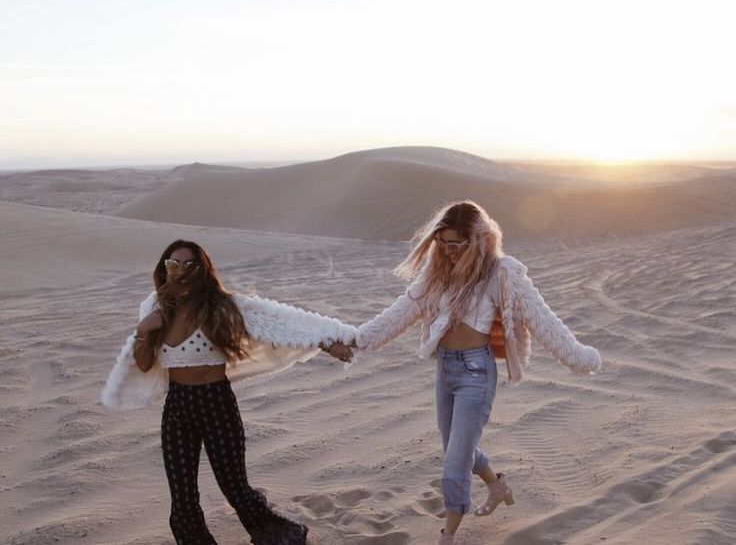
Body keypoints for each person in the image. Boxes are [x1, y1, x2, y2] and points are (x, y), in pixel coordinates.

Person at [355, 201, 602, 544]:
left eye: (456, 244)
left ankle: (447, 536)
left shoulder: (502, 274)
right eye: (443, 243)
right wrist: (356, 342)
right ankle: (497, 486)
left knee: (455, 465)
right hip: (445, 370)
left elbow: (542, 319)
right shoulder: (437, 273)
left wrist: (578, 356)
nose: (448, 251)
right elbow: (403, 310)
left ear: (477, 240)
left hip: (476, 374)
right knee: (459, 450)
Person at [102, 239, 357, 545]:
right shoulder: (156, 308)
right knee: (182, 497)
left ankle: (282, 535)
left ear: (202, 270)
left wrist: (328, 342)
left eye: (189, 265)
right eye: (173, 264)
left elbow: (277, 324)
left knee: (234, 488)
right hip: (178, 407)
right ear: (164, 269)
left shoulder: (223, 306)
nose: (180, 271)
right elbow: (144, 364)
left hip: (216, 403)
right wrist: (143, 332)